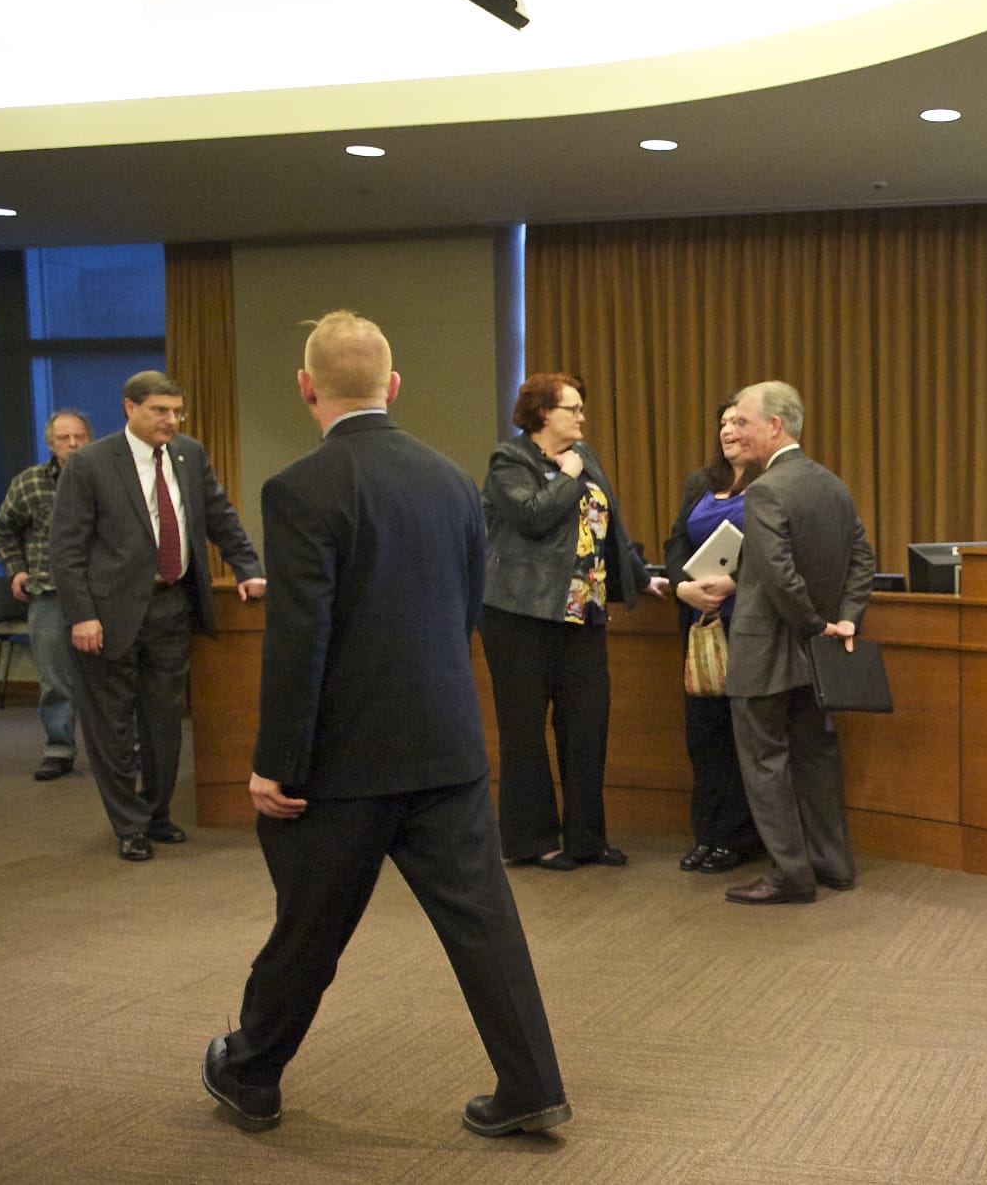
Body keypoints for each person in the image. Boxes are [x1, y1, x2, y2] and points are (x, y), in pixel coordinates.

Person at [202, 310, 569, 1138]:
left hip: (345, 760)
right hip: (447, 744)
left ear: (305, 388)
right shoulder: (450, 481)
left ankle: (251, 1073)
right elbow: (465, 606)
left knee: (310, 926)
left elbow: (301, 641)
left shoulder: (299, 489)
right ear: (392, 387)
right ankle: (532, 1085)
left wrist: (274, 761)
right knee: (486, 923)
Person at [49, 370, 264, 862]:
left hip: (171, 605)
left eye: (176, 411)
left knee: (164, 721)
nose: (171, 420)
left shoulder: (188, 454)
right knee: (112, 728)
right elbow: (66, 548)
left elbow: (219, 515)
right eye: (160, 411)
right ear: (130, 408)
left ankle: (158, 813)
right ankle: (129, 825)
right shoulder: (90, 463)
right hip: (107, 616)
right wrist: (81, 614)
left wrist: (247, 567)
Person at [479, 372, 667, 871]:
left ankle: (588, 837)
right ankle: (533, 840)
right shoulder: (509, 461)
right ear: (543, 414)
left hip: (583, 612)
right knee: (523, 731)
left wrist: (639, 576)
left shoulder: (587, 459)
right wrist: (567, 476)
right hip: (519, 614)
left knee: (587, 725)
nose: (582, 417)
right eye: (573, 409)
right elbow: (532, 517)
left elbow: (609, 526)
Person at [720, 380, 876, 905]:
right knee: (816, 758)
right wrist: (846, 621)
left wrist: (814, 622)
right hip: (817, 657)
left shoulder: (763, 489)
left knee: (765, 762)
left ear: (775, 426)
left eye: (743, 421)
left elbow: (780, 577)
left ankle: (790, 875)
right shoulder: (832, 485)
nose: (734, 430)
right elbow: (863, 559)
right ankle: (835, 865)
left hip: (766, 650)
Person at [663, 399, 766, 874]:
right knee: (704, 738)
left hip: (749, 625)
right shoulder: (699, 483)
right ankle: (707, 835)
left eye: (737, 422)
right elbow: (675, 543)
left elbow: (779, 552)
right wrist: (682, 587)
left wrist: (737, 583)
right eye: (721, 423)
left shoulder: (772, 485)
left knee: (742, 734)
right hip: (701, 627)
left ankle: (739, 838)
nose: (726, 430)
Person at [0, 408, 92, 780]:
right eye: (64, 438)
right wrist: (16, 569)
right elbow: (4, 529)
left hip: (98, 593)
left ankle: (121, 750)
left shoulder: (103, 478)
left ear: (90, 439)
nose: (73, 443)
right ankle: (59, 748)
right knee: (54, 680)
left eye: (79, 436)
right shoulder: (29, 483)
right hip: (48, 594)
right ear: (50, 443)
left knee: (109, 678)